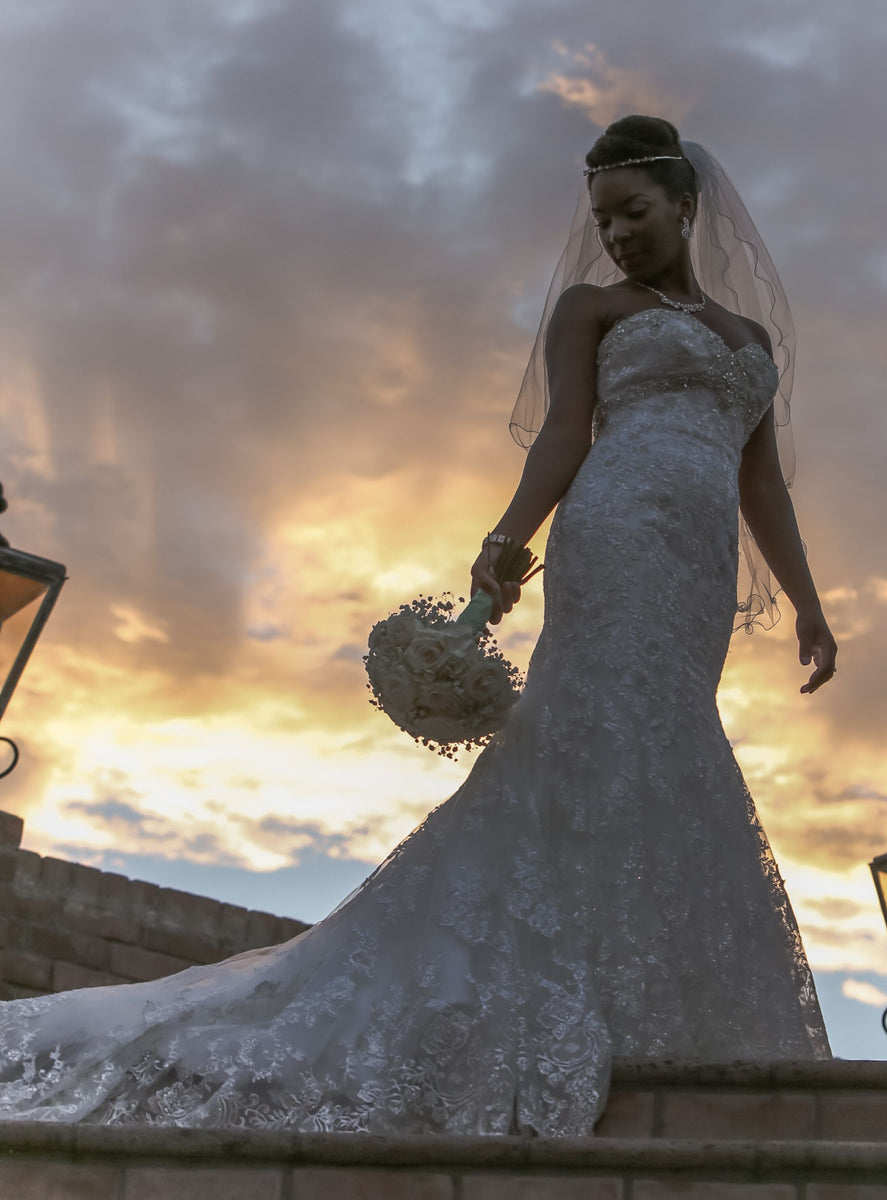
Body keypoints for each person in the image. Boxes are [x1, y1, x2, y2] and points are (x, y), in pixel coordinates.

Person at [0, 115, 834, 1136]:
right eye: (603, 218)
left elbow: (763, 480)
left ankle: (645, 977)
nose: (615, 234)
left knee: (667, 738)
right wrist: (505, 539)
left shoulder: (750, 346)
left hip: (697, 566)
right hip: (614, 532)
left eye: (634, 213)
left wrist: (805, 601)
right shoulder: (591, 309)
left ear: (685, 204)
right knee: (597, 725)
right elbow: (567, 430)